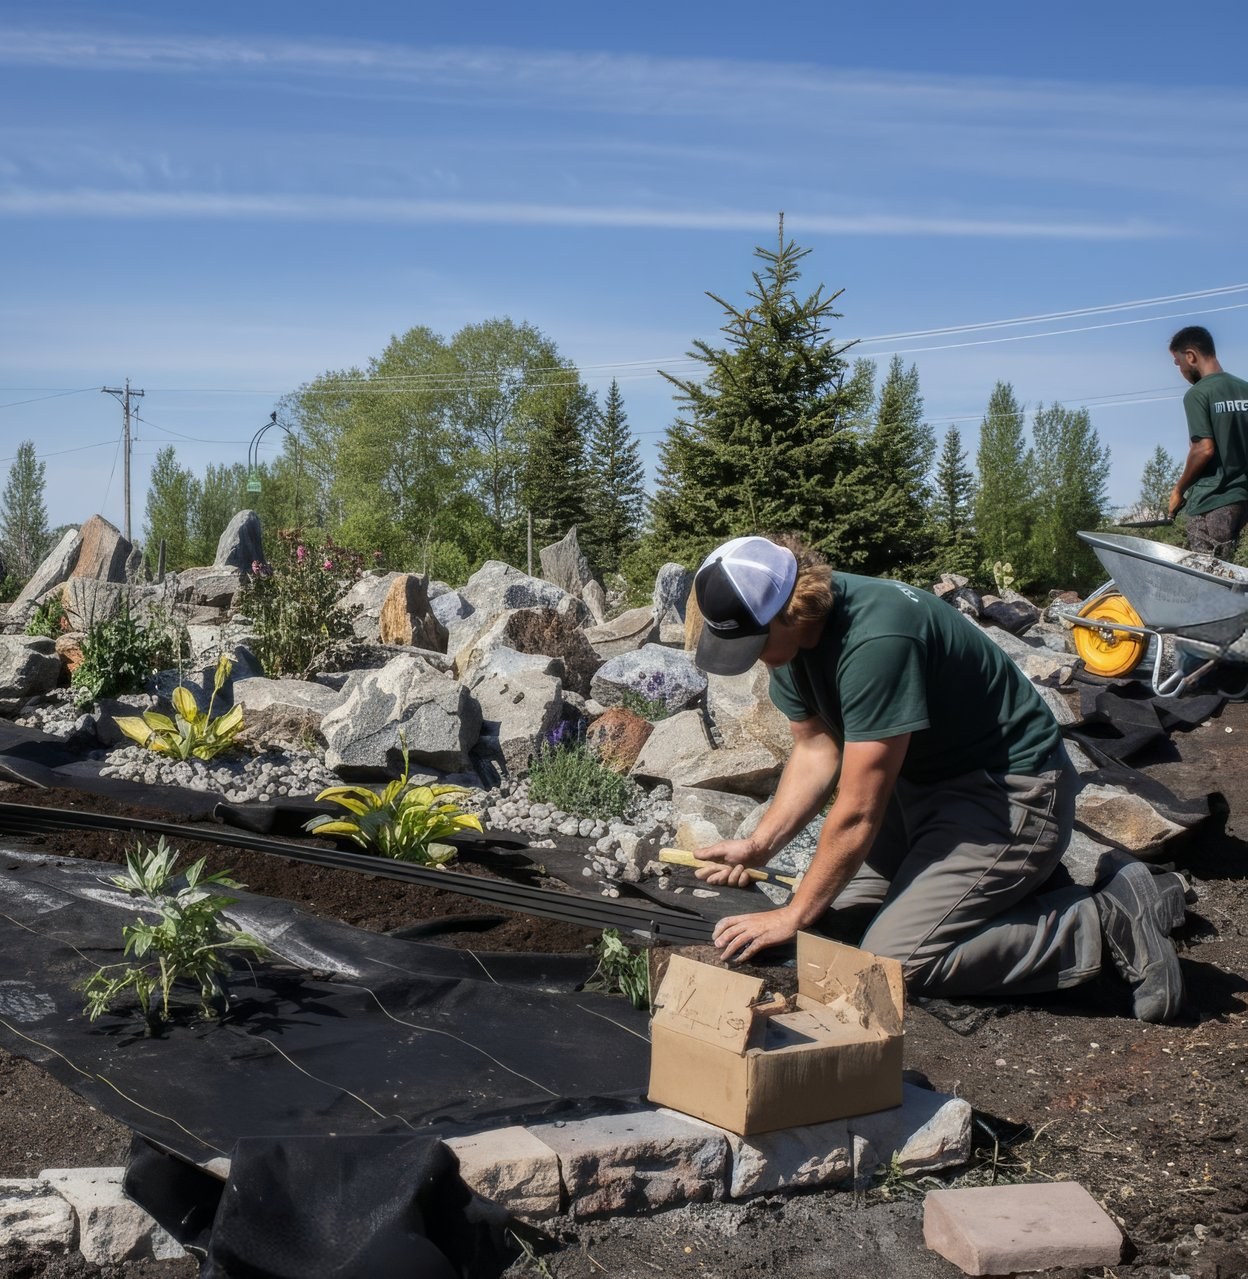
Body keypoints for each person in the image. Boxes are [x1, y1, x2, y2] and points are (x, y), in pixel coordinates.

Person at [690, 533, 1187, 1023]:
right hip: (918, 793)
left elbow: (860, 809)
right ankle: (1015, 895)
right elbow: (816, 748)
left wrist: (792, 912)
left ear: (791, 610)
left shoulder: (876, 639)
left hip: (1008, 794)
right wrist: (760, 845)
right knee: (834, 931)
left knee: (890, 965)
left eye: (753, 641)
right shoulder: (791, 640)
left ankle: (1102, 921)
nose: (752, 655)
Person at [1168, 326, 1248, 559]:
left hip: (1211, 500)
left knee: (1207, 578)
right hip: (1242, 502)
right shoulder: (1244, 390)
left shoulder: (1198, 394)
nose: (1180, 369)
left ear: (1191, 356)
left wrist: (1179, 489)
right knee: (1229, 576)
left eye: (1178, 361)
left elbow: (1203, 448)